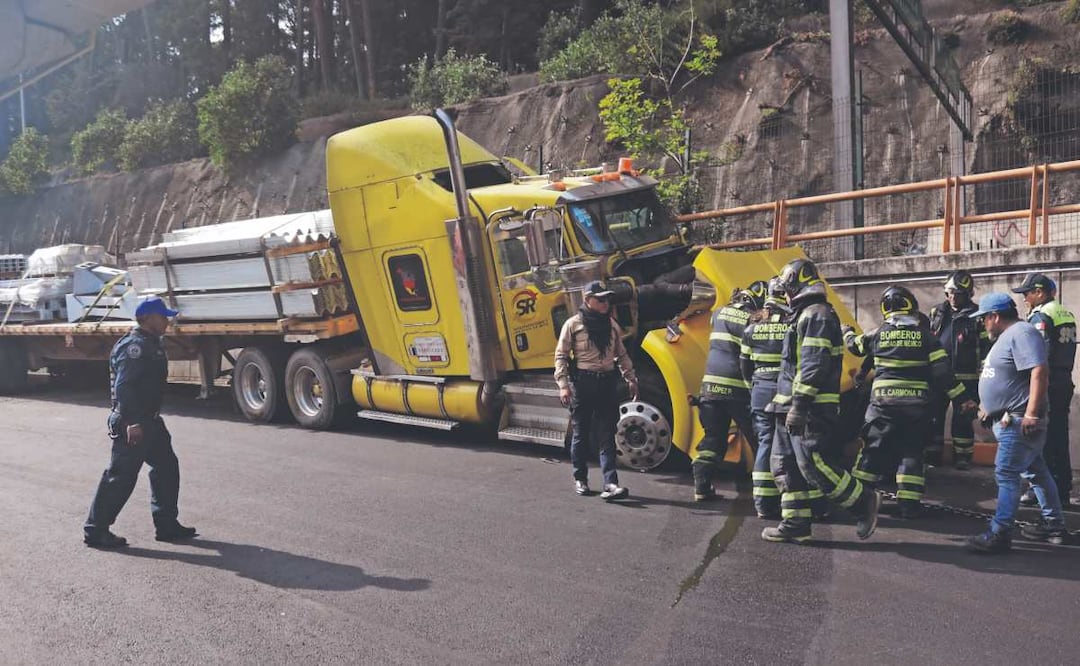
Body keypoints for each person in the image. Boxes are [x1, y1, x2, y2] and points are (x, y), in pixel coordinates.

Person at [763, 258, 881, 544]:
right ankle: (796, 521)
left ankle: (863, 502)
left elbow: (813, 366)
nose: (785, 295)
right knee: (784, 465)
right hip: (787, 405)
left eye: (786, 288)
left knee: (814, 465)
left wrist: (800, 406)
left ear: (795, 284)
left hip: (809, 409)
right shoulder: (804, 315)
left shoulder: (816, 315)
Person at [845, 286, 977, 519]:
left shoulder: (877, 334)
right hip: (916, 408)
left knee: (872, 452)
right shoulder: (926, 336)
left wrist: (845, 330)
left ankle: (860, 502)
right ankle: (909, 505)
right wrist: (963, 399)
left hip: (882, 407)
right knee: (912, 453)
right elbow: (943, 373)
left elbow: (854, 346)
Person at [84, 297, 198, 548]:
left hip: (150, 420)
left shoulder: (150, 343)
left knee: (167, 467)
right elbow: (124, 387)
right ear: (147, 318)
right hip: (133, 421)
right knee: (121, 477)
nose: (167, 320)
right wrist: (132, 423)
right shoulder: (135, 347)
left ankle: (167, 525)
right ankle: (96, 530)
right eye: (163, 316)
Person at [967, 292, 1069, 553]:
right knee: (1037, 472)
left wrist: (1032, 413)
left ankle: (999, 533)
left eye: (984, 319)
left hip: (1019, 421)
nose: (982, 324)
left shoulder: (1022, 332)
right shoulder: (1010, 336)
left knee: (1007, 474)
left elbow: (1039, 370)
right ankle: (1053, 525)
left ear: (995, 316)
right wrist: (991, 409)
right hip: (1010, 418)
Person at [555, 280, 637, 501]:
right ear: (587, 300)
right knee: (581, 433)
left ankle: (610, 483)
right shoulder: (573, 324)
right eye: (600, 299)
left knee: (606, 434)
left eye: (607, 299)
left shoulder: (611, 325)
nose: (605, 303)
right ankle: (580, 478)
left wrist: (631, 379)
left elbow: (622, 355)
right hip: (584, 383)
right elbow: (561, 356)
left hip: (607, 383)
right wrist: (563, 386)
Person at [691, 281, 765, 501]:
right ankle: (767, 493)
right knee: (759, 439)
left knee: (713, 440)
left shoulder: (719, 313)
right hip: (737, 390)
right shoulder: (751, 319)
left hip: (709, 389)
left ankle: (701, 487)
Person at [1012, 272, 1076, 508]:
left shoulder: (1041, 316)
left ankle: (1043, 490)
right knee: (1058, 437)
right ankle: (1061, 489)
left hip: (1047, 384)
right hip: (1063, 381)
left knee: (1041, 438)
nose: (1025, 299)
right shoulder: (1064, 313)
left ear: (1039, 292)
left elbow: (1037, 355)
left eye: (1027, 294)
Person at [928, 270, 989, 470]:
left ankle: (962, 458)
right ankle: (932, 456)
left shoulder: (978, 315)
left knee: (963, 419)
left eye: (958, 293)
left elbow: (987, 348)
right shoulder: (936, 312)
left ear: (968, 294)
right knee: (934, 416)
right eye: (949, 293)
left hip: (967, 377)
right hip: (939, 376)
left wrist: (984, 379)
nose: (952, 297)